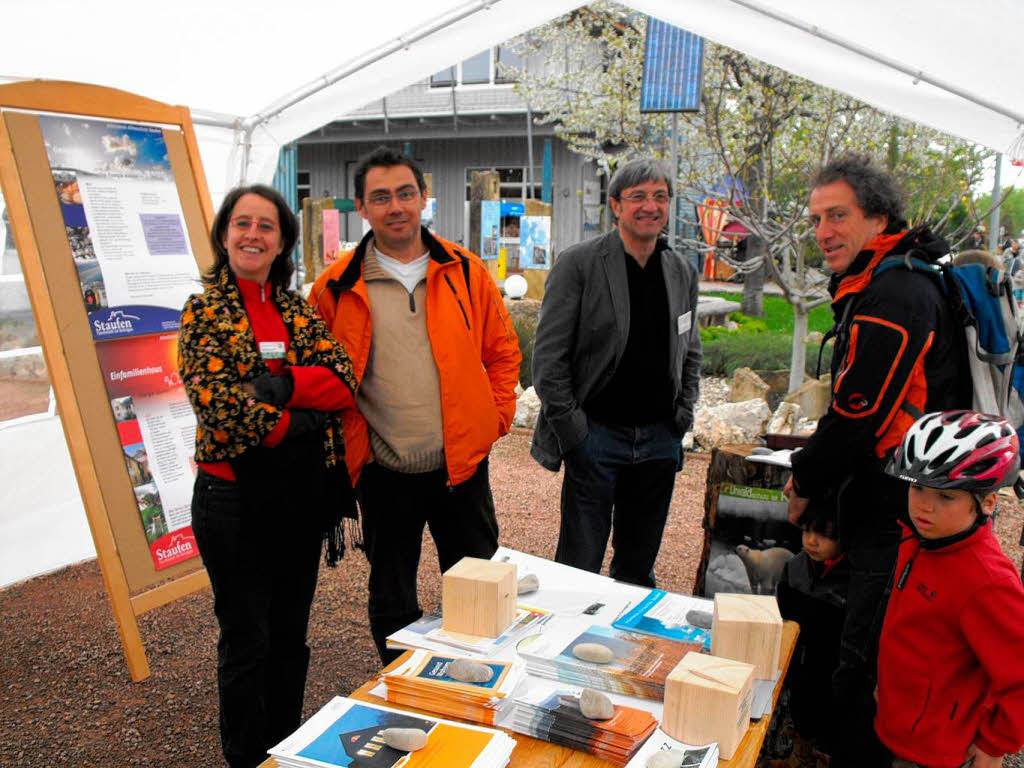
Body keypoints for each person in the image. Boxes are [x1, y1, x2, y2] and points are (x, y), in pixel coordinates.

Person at [784, 153, 971, 767]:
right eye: (816, 220)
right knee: (877, 652)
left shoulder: (897, 291)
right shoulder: (898, 276)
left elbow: (859, 417)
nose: (823, 233)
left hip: (897, 511)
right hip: (907, 501)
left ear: (878, 217)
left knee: (863, 665)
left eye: (838, 216)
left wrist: (805, 481)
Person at [308, 146, 521, 664]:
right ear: (362, 207)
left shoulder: (466, 272)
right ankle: (406, 689)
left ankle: (481, 684)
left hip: (461, 467)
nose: (396, 206)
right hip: (384, 470)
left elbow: (502, 353)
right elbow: (322, 379)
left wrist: (491, 421)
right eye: (381, 197)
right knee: (391, 598)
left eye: (406, 193)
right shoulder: (334, 287)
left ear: (424, 198)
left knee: (479, 590)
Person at [179, 184, 359, 768]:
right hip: (232, 502)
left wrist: (278, 391)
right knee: (246, 641)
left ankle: (284, 751)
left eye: (266, 226)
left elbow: (342, 380)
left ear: (282, 241)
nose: (253, 234)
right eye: (242, 223)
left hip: (298, 498)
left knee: (289, 638)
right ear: (224, 234)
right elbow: (221, 409)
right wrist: (298, 423)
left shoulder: (296, 308)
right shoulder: (203, 311)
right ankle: (245, 759)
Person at [530, 157, 702, 587]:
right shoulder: (580, 264)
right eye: (638, 196)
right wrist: (575, 433)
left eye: (660, 196)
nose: (650, 206)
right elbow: (548, 361)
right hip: (597, 438)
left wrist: (682, 415)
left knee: (637, 569)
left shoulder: (680, 270)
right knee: (578, 567)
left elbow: (690, 350)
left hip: (659, 440)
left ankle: (627, 649)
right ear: (615, 205)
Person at [878, 410, 1024, 768]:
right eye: (918, 488)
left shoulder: (989, 582)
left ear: (987, 503)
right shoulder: (920, 539)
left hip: (941, 752)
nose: (925, 506)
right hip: (899, 729)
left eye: (947, 497)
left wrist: (994, 745)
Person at [773, 506, 849, 767]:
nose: (811, 541)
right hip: (795, 664)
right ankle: (797, 753)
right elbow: (781, 616)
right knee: (796, 714)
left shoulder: (855, 579)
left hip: (830, 671)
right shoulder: (794, 567)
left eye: (824, 535)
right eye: (806, 531)